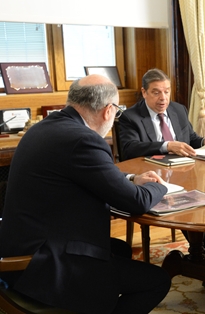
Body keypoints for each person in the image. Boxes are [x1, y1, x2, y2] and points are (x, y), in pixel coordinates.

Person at [0, 74, 171, 314]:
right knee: (157, 281)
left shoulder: (46, 128)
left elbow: (86, 174)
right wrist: (160, 185)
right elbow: (136, 202)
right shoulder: (83, 140)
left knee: (120, 250)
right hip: (43, 264)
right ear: (108, 111)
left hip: (22, 243)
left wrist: (132, 179)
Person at [118, 68, 205, 261]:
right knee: (190, 204)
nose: (163, 98)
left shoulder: (178, 110)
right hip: (155, 180)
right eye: (156, 92)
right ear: (144, 92)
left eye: (167, 91)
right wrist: (165, 145)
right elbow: (129, 148)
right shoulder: (131, 116)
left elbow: (191, 139)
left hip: (186, 175)